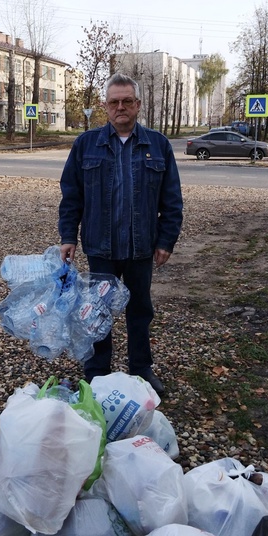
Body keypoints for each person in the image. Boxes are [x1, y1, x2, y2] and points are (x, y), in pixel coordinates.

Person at [58, 72, 183, 396]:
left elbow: (171, 200)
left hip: (142, 248)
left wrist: (166, 240)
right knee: (98, 312)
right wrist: (68, 236)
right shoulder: (86, 145)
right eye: (114, 102)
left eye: (127, 101)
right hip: (100, 247)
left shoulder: (158, 145)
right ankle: (98, 373)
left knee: (140, 311)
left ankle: (142, 371)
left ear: (138, 104)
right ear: (105, 106)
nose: (121, 107)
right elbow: (72, 195)